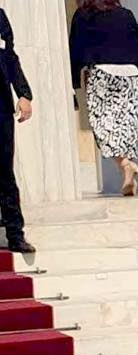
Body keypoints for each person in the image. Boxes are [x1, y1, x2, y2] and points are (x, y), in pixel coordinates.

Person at [69, 0, 138, 197]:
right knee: (126, 123)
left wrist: (73, 83)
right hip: (130, 72)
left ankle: (125, 164)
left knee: (101, 124)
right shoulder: (125, 14)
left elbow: (75, 48)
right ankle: (127, 170)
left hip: (102, 71)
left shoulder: (84, 15)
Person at [0, 8, 34, 254]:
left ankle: (15, 234)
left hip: (1, 107)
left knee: (4, 171)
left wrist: (24, 93)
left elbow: (10, 56)